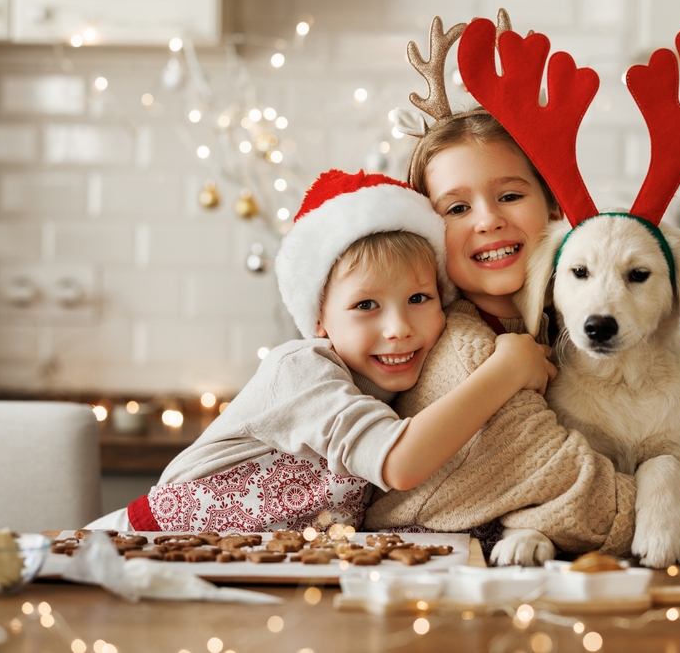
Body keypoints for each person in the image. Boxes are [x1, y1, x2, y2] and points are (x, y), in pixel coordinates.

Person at [85, 169, 555, 532]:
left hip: (254, 570)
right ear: (319, 323)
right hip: (149, 549)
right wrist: (506, 370)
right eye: (365, 305)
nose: (398, 329)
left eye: (418, 299)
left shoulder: (405, 385)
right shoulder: (301, 372)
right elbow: (400, 463)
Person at [364, 112, 680, 564]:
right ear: (430, 232)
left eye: (509, 195)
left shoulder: (559, 336)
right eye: (457, 208)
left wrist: (673, 488)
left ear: (554, 210)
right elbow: (571, 487)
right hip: (422, 569)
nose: (489, 220)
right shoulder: (459, 350)